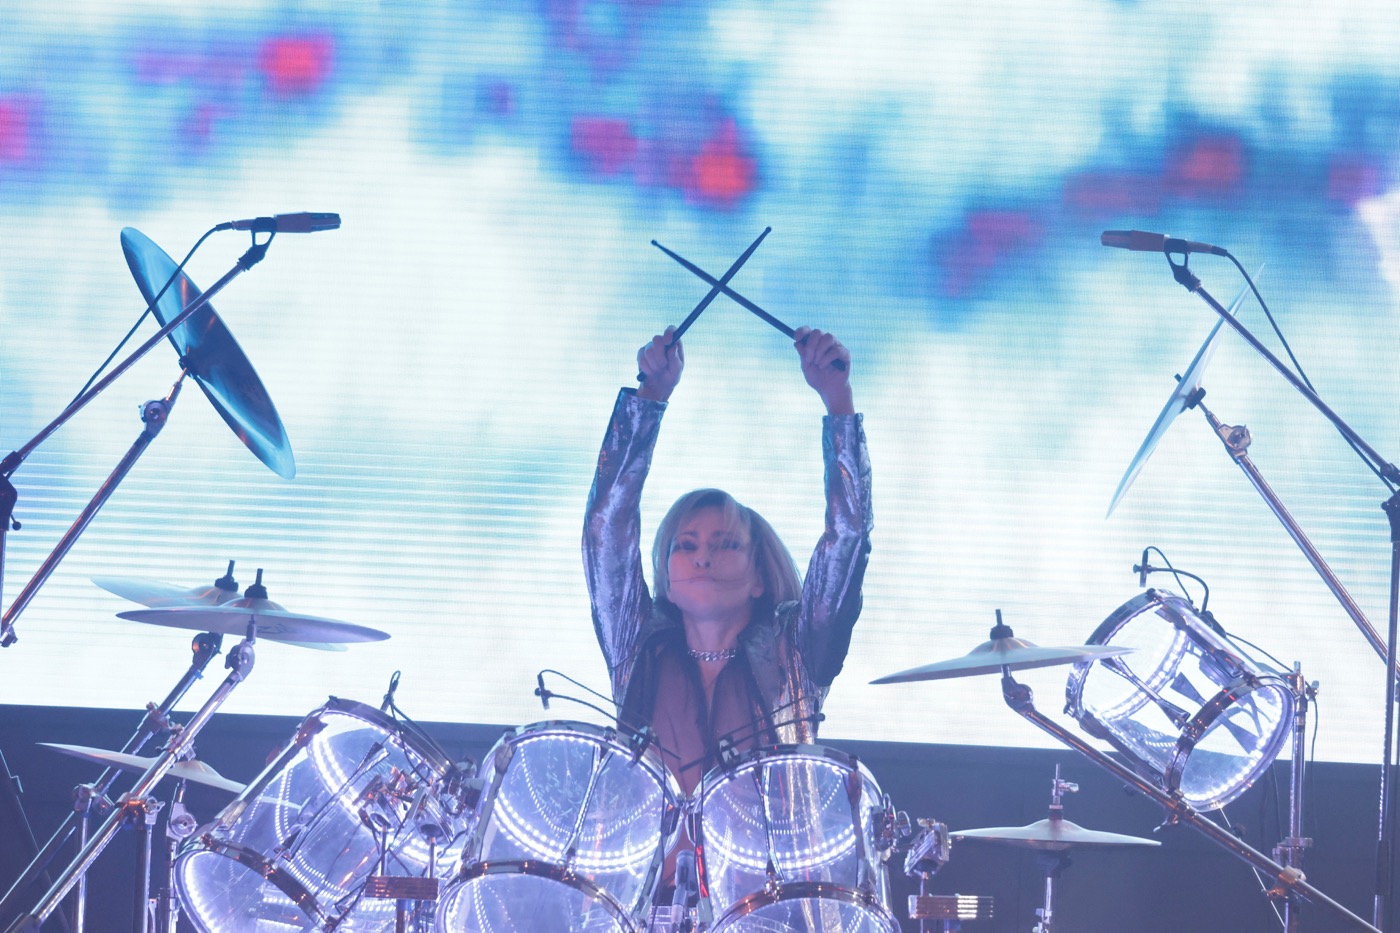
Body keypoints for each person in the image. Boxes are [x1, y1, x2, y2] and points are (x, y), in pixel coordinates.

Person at [582, 324, 872, 795]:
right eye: (686, 545)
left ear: (760, 578)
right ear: (666, 578)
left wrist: (837, 400)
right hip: (650, 848)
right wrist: (649, 396)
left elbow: (849, 535)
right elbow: (605, 528)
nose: (703, 558)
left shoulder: (795, 652)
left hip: (774, 847)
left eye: (725, 545)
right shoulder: (637, 645)